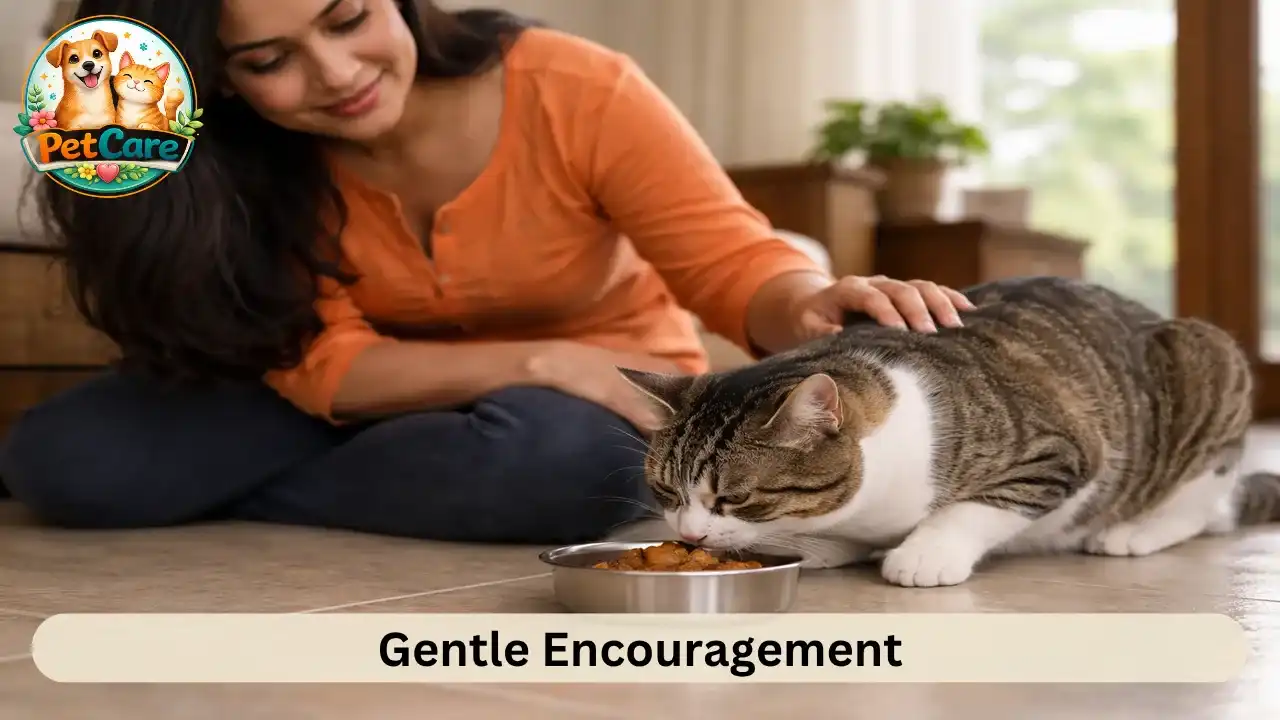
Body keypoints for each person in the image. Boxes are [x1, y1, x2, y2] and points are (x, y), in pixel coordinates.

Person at [0, 0, 972, 544]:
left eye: (347, 17)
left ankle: (229, 491)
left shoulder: (574, 88)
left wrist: (807, 300)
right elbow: (322, 365)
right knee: (64, 460)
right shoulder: (246, 165)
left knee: (559, 465)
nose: (336, 74)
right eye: (269, 60)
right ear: (218, 79)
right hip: (358, 392)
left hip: (588, 402)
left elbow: (726, 259)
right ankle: (396, 483)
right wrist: (542, 359)